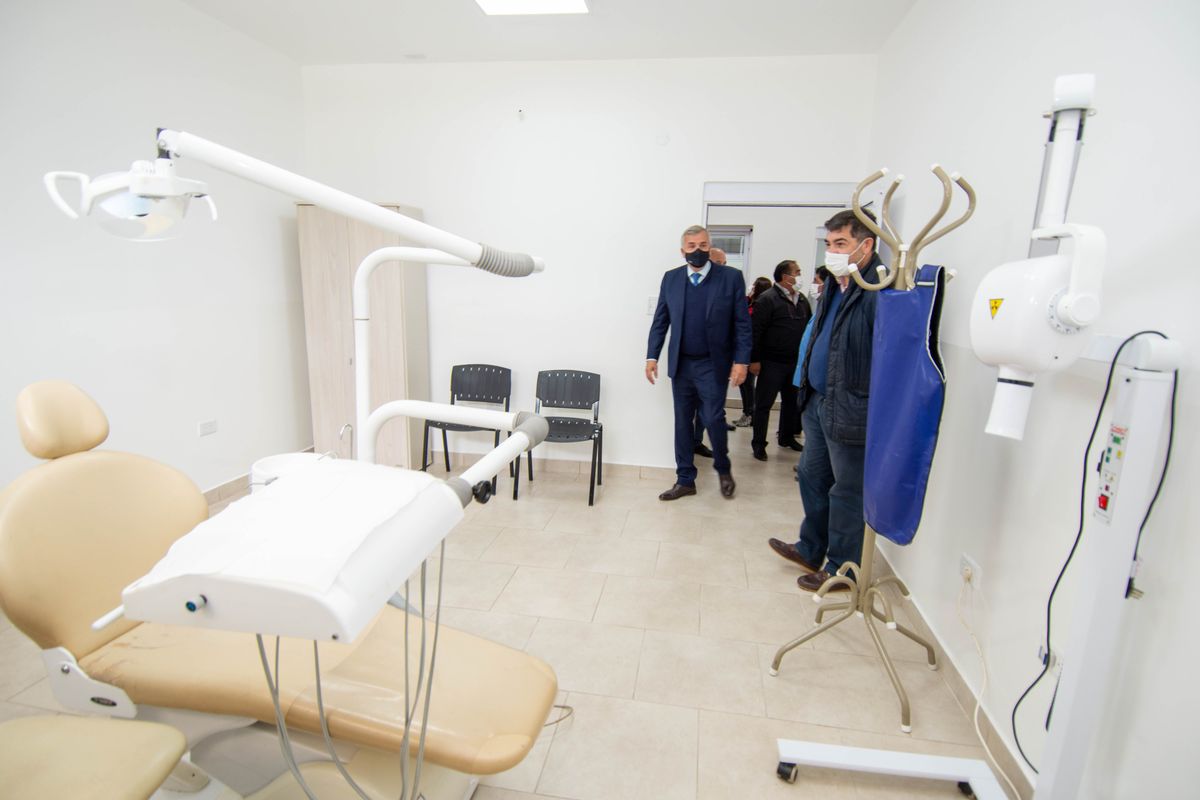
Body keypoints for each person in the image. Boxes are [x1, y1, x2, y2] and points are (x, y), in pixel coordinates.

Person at [768, 210, 882, 592]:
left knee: (847, 490)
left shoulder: (879, 289)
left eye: (841, 243)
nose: (832, 251)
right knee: (812, 476)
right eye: (829, 243)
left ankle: (842, 569)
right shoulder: (836, 284)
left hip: (850, 405)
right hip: (817, 399)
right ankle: (811, 548)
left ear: (866, 245)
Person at [647, 225, 751, 500]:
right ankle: (685, 480)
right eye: (692, 246)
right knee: (683, 422)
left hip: (712, 364)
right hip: (681, 364)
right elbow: (660, 321)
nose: (698, 250)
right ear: (683, 251)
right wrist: (652, 356)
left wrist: (741, 360)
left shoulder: (730, 278)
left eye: (703, 245)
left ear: (709, 246)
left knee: (713, 417)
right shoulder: (671, 278)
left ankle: (723, 468)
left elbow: (742, 324)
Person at [749, 260, 811, 461]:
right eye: (797, 272)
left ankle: (786, 437)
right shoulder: (767, 299)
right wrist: (754, 360)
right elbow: (755, 331)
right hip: (771, 362)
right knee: (764, 405)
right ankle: (759, 444)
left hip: (794, 362)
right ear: (786, 277)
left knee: (791, 403)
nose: (800, 276)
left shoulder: (802, 299)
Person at [692, 247, 736, 457]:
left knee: (709, 406)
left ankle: (697, 441)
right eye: (719, 263)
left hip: (718, 360)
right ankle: (688, 443)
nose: (722, 267)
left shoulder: (729, 288)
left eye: (724, 263)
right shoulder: (693, 285)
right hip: (693, 360)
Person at [733, 276, 773, 428]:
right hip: (744, 349)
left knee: (748, 384)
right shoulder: (749, 302)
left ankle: (750, 413)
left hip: (753, 351)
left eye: (755, 286)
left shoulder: (760, 307)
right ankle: (748, 412)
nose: (752, 287)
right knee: (744, 384)